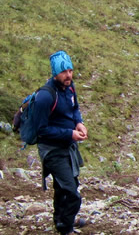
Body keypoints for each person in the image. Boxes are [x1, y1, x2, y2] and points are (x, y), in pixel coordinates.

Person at [33, 50, 88, 235]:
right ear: (55, 73)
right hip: (51, 149)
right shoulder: (45, 96)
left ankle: (61, 220)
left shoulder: (70, 88)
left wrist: (79, 123)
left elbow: (74, 109)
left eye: (70, 71)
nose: (68, 75)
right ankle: (65, 227)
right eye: (64, 72)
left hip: (67, 146)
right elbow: (41, 130)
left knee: (63, 186)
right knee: (72, 192)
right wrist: (69, 133)